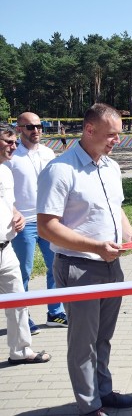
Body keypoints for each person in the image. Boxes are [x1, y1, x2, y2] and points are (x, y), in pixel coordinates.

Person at [37, 103, 132, 415]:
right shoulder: (61, 169)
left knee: (103, 337)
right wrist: (95, 246)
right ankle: (89, 405)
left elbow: (116, 208)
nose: (118, 141)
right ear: (89, 130)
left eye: (119, 135)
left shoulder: (110, 167)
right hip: (78, 267)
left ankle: (104, 391)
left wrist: (131, 234)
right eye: (112, 135)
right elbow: (47, 227)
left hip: (112, 264)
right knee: (83, 342)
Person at [6, 112, 68, 334]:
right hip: (24, 223)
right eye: (30, 127)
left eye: (39, 126)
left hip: (49, 219)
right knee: (23, 271)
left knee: (55, 267)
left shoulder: (48, 153)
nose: (36, 130)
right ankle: (25, 317)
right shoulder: (12, 155)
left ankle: (55, 312)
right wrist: (13, 213)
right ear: (19, 128)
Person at [0, 123, 51, 365]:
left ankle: (20, 351)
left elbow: (7, 202)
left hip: (5, 249)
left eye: (14, 142)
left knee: (17, 299)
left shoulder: (5, 171)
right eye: (8, 142)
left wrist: (16, 214)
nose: (13, 146)